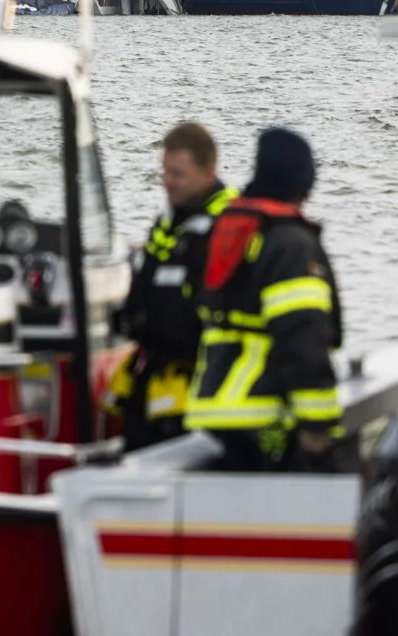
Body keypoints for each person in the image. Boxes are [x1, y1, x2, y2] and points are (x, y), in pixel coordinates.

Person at [181, 128, 344, 471]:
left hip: (214, 407)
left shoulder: (228, 229)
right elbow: (302, 335)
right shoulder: (291, 245)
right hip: (262, 412)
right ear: (302, 184)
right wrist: (318, 428)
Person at [106, 120, 238, 447]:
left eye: (177, 174)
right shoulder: (167, 222)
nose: (167, 183)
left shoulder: (228, 228)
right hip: (152, 372)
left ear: (209, 172)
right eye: (164, 173)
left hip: (196, 384)